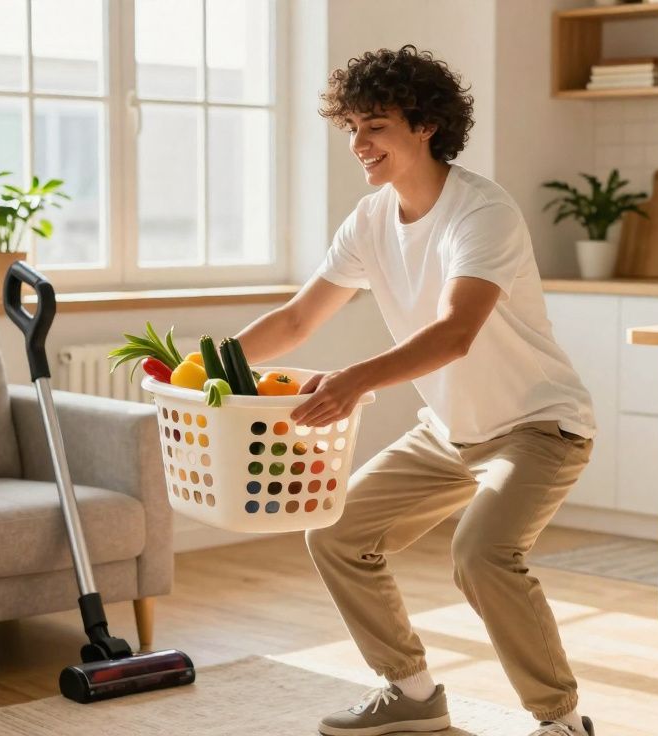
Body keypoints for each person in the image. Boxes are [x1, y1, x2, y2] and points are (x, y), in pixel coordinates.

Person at [234, 45, 597, 736]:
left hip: (537, 425)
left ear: (424, 125)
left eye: (373, 125)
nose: (357, 144)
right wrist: (197, 366)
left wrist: (352, 381)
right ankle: (411, 693)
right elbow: (298, 318)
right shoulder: (370, 221)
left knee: (482, 553)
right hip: (449, 430)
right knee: (337, 532)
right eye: (350, 127)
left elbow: (456, 332)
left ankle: (562, 721)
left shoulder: (479, 212)